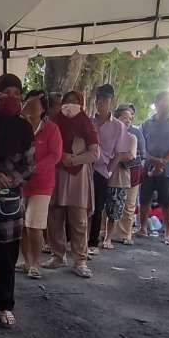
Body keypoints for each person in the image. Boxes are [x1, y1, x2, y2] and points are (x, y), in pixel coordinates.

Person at [0, 73, 35, 327]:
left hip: (10, 200)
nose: (12, 98)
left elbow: (30, 164)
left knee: (7, 255)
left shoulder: (25, 128)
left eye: (17, 94)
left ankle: (5, 305)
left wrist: (8, 179)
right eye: (7, 93)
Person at [47, 90, 100, 278]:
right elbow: (48, 145)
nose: (70, 104)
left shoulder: (87, 124)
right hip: (57, 172)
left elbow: (94, 153)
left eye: (74, 101)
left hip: (78, 176)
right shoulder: (54, 121)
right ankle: (57, 255)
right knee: (55, 215)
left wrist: (74, 160)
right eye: (66, 101)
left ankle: (80, 260)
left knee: (78, 219)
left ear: (81, 104)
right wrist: (61, 157)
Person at [20, 89, 62, 278]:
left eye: (35, 103)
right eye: (27, 101)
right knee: (21, 224)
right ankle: (26, 261)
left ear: (43, 108)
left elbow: (55, 155)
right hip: (19, 183)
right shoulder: (19, 126)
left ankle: (35, 263)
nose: (30, 105)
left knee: (33, 225)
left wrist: (34, 167)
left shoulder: (51, 129)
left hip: (42, 184)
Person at [138, 90, 169, 246]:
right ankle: (142, 227)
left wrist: (163, 161)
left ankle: (168, 232)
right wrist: (153, 159)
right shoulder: (146, 123)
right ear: (156, 103)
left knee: (167, 201)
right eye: (164, 100)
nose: (167, 103)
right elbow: (141, 145)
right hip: (148, 166)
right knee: (144, 199)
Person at [88, 84, 128, 253]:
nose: (101, 102)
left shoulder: (118, 126)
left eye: (105, 99)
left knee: (98, 207)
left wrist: (110, 170)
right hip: (84, 167)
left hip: (102, 170)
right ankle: (76, 239)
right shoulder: (89, 121)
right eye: (99, 99)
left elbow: (119, 153)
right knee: (82, 206)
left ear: (111, 101)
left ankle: (92, 243)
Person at [110, 103, 145, 244]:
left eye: (130, 118)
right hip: (113, 171)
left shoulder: (136, 134)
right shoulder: (110, 131)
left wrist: (119, 156)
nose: (128, 120)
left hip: (132, 172)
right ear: (116, 117)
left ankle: (125, 234)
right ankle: (105, 232)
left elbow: (139, 155)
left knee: (129, 205)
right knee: (110, 203)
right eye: (124, 117)